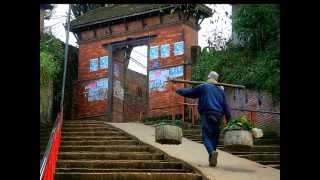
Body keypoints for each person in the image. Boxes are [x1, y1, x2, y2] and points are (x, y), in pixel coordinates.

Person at [175, 71, 231, 167]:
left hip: (207, 114)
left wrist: (178, 90)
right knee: (214, 137)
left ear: (209, 77)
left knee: (206, 136)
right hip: (218, 116)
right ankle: (212, 158)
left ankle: (211, 152)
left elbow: (190, 92)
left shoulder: (204, 86)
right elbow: (226, 107)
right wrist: (229, 119)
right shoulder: (221, 91)